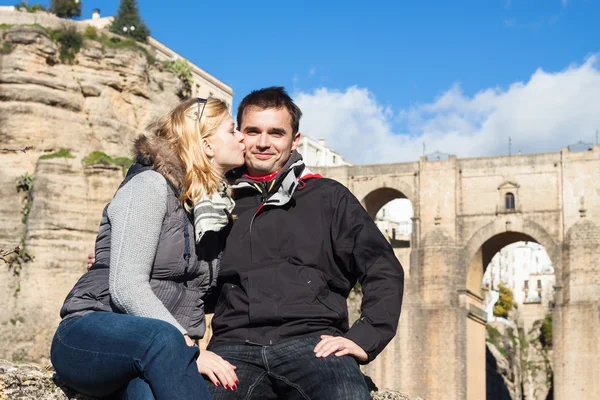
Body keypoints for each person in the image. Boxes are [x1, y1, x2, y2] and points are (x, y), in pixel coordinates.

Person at [206, 86, 405, 399]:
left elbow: (382, 267)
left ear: (294, 140)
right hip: (233, 347)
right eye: (252, 131)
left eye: (276, 133)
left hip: (313, 343)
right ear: (240, 135)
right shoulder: (214, 201)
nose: (262, 142)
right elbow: (188, 276)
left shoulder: (328, 197)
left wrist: (366, 337)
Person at [51, 97, 244, 399]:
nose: (242, 137)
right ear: (207, 145)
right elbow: (127, 287)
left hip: (155, 355)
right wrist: (190, 348)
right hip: (89, 334)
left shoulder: (211, 212)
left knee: (147, 392)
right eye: (232, 131)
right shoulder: (151, 186)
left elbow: (198, 294)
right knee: (164, 340)